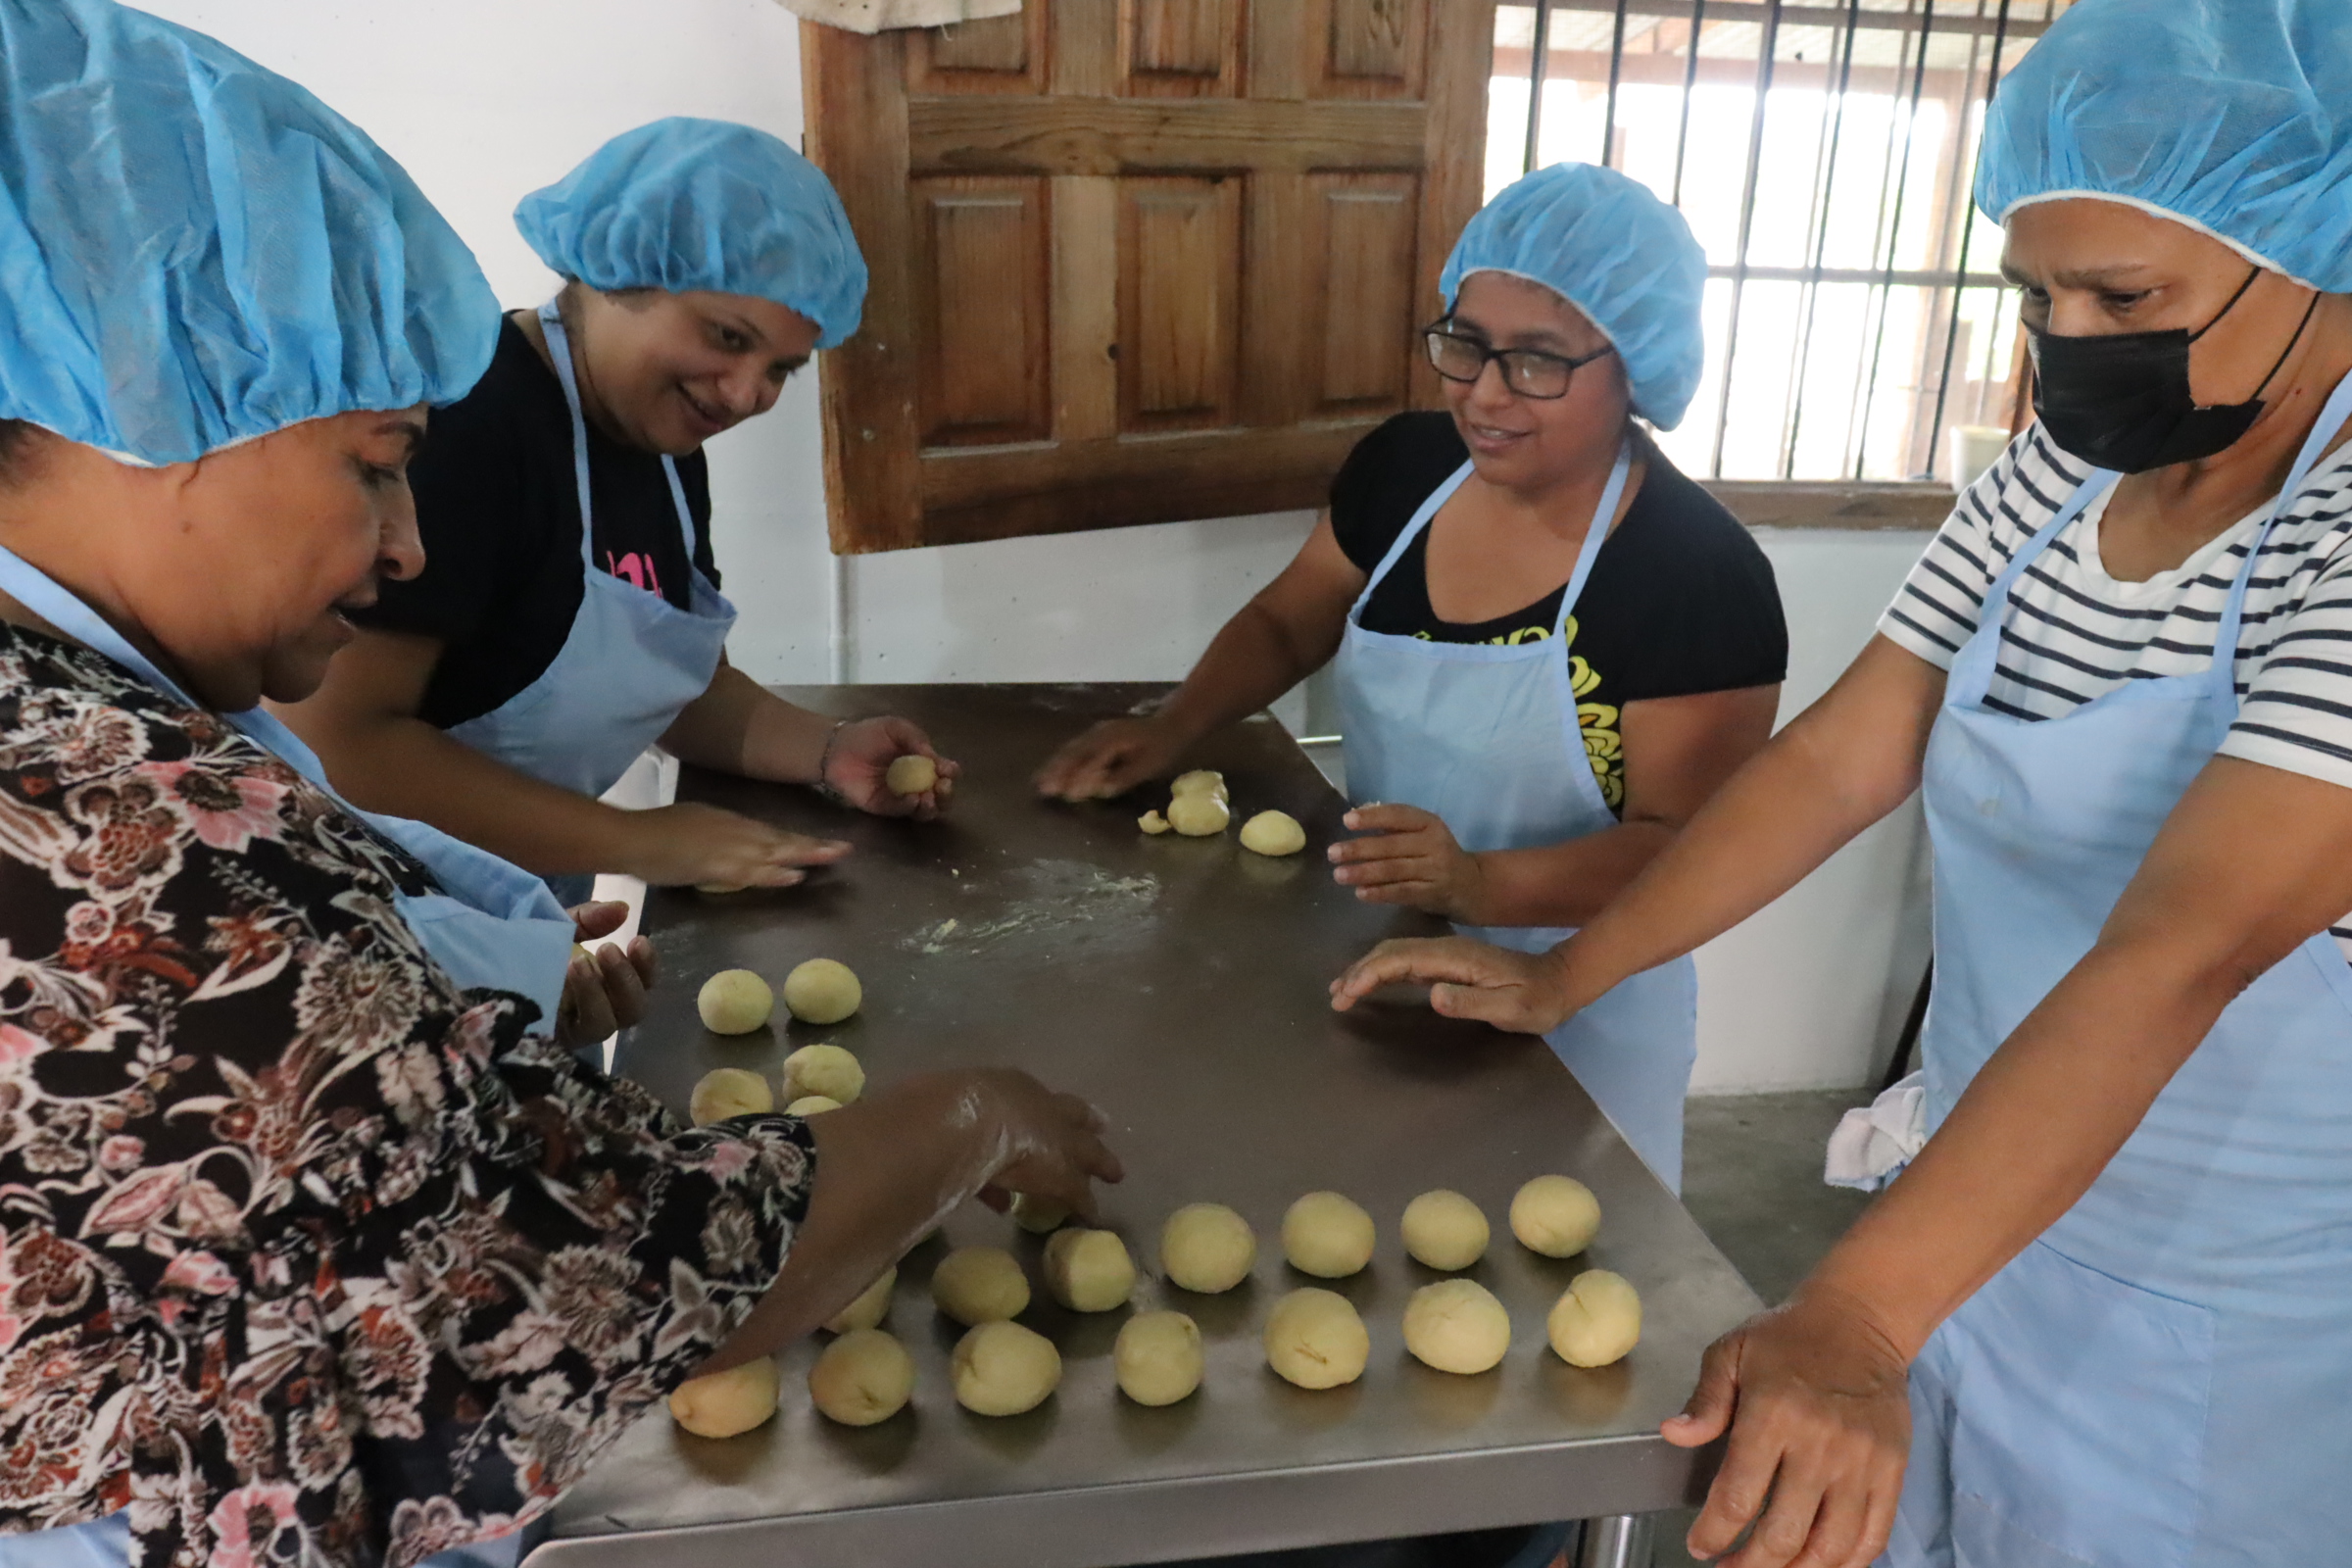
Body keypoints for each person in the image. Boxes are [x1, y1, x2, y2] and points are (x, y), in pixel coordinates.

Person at [0, 7, 1118, 1566]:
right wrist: (968, 1115)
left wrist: (485, 963)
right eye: (376, 462)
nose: (405, 546)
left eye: (779, 366)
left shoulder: (92, 701)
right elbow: (589, 1278)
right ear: (162, 409)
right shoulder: (125, 839)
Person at [1333, 2, 2352, 1563]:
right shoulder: (2057, 475)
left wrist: (1857, 1317)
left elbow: (2185, 948)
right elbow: (1842, 755)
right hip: (1981, 1198)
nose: (2069, 340)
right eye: (2038, 290)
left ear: (2323, 244)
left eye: (2124, 293)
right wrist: (1572, 976)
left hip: (2227, 1277)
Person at [1040, 163, 1787, 1190]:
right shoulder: (1407, 470)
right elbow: (1288, 616)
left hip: (1583, 1008)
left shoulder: (1695, 578)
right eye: (1466, 345)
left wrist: (1482, 882)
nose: (1484, 393)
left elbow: (1692, 851)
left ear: (1636, 369)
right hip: (1380, 945)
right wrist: (1179, 723)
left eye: (1537, 364)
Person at [277, 118, 956, 906]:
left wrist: (828, 749)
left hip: (513, 905)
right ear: (614, 271)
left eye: (781, 369)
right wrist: (636, 840)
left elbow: (674, 688)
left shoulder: (658, 444)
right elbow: (334, 741)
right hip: (375, 909)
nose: (745, 395)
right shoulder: (471, 428)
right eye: (726, 336)